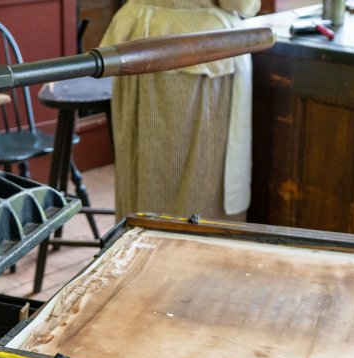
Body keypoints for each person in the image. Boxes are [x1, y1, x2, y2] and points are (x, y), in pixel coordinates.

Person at [101, 0, 261, 221]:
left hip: (136, 41)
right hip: (199, 47)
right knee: (197, 175)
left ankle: (140, 247)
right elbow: (240, 3)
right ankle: (188, 250)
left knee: (141, 165)